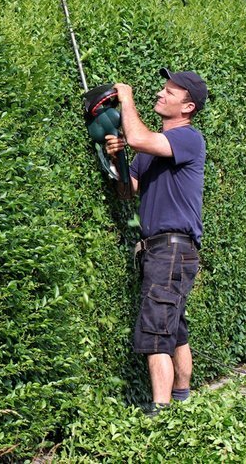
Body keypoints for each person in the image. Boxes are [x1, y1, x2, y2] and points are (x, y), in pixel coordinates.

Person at [104, 67, 208, 416]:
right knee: (174, 327)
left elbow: (138, 138)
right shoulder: (151, 150)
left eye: (170, 92)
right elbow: (126, 192)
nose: (161, 94)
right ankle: (182, 401)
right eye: (163, 89)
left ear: (188, 107)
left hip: (173, 248)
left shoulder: (189, 139)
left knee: (155, 328)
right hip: (160, 250)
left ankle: (160, 413)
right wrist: (115, 158)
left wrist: (126, 99)